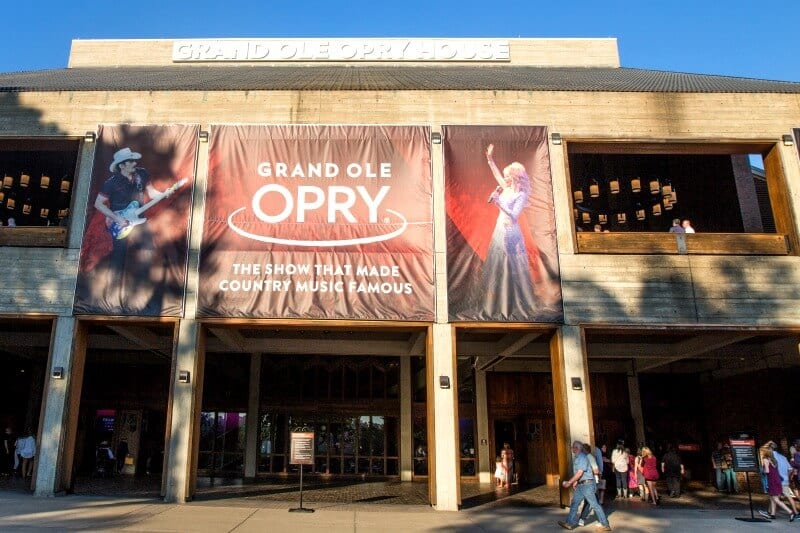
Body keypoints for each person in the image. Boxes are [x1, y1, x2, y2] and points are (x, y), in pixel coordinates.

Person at [88, 147, 179, 312]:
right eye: (130, 161)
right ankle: (111, 300)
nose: (134, 163)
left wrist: (164, 193)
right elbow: (98, 203)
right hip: (120, 222)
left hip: (138, 219)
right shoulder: (111, 183)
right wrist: (117, 218)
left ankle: (143, 299)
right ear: (122, 165)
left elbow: (151, 192)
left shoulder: (141, 174)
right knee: (118, 258)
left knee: (148, 251)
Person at [483, 144, 537, 314]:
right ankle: (496, 298)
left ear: (514, 178)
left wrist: (498, 203)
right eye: (505, 176)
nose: (504, 178)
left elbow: (514, 215)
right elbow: (496, 173)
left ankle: (513, 300)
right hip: (500, 228)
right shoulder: (506, 188)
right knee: (497, 261)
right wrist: (490, 158)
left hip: (511, 231)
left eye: (507, 176)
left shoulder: (521, 195)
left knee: (510, 263)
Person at [558, 440, 612, 531]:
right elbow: (579, 473)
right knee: (574, 504)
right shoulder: (578, 457)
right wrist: (576, 482)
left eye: (573, 447)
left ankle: (605, 525)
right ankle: (569, 523)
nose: (572, 449)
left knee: (595, 505)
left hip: (587, 485)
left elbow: (580, 472)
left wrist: (570, 482)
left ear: (577, 448)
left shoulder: (582, 457)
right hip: (581, 485)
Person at [758, 446, 797, 521]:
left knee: (776, 499)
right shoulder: (774, 460)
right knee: (773, 498)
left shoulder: (766, 459)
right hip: (778, 480)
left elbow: (767, 471)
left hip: (772, 480)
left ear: (766, 452)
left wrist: (762, 471)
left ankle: (791, 512)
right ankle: (772, 514)